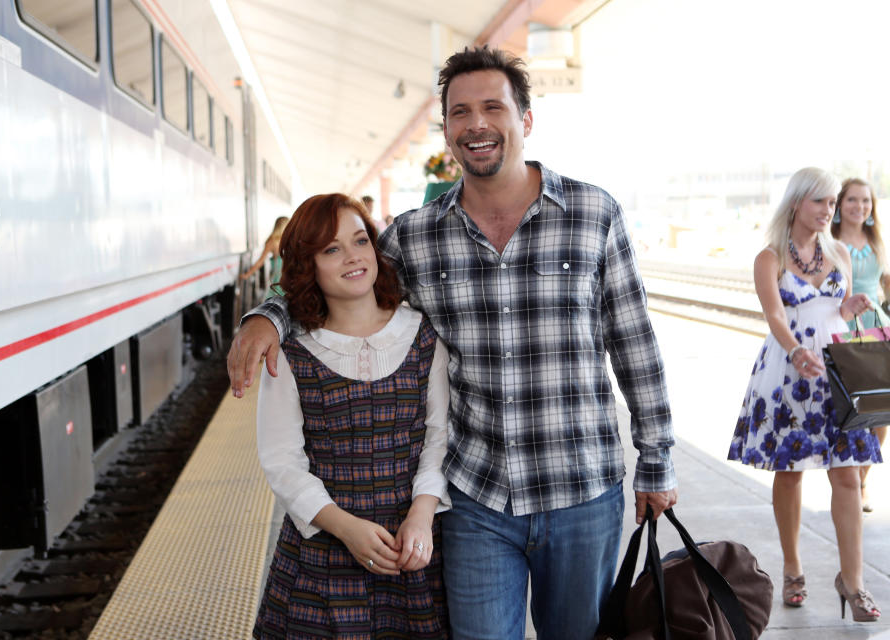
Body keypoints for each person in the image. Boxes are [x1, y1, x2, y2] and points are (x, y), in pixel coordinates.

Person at [230, 46, 677, 640]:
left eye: (493, 107)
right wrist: (267, 318)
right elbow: (341, 278)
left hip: (582, 493)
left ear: (526, 120)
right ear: (447, 130)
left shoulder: (593, 214)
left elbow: (634, 344)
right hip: (475, 502)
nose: (477, 124)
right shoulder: (417, 236)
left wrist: (657, 458)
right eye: (460, 112)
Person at [252, 193, 451, 639]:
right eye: (331, 249)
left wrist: (421, 515)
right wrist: (345, 528)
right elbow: (281, 461)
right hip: (322, 554)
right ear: (309, 266)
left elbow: (439, 435)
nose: (352, 257)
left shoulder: (421, 333)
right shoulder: (289, 352)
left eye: (360, 241)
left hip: (409, 548)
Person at [728, 167, 882, 621]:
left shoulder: (839, 253)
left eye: (833, 203)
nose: (828, 211)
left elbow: (840, 309)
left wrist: (851, 307)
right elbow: (775, 316)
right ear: (797, 202)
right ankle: (794, 568)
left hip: (835, 371)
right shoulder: (770, 257)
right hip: (789, 372)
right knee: (791, 472)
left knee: (849, 475)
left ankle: (853, 582)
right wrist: (796, 352)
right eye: (821, 202)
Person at [830, 177, 890, 512]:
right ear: (840, 205)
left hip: (878, 326)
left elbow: (887, 283)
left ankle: (863, 480)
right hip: (846, 328)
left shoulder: (877, 238)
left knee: (882, 415)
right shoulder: (831, 240)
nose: (860, 207)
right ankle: (847, 484)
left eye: (865, 201)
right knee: (852, 414)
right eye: (852, 200)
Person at [241, 216, 289, 297]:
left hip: (278, 274)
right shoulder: (290, 240)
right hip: (289, 273)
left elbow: (261, 261)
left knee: (275, 297)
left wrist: (247, 274)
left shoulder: (272, 241)